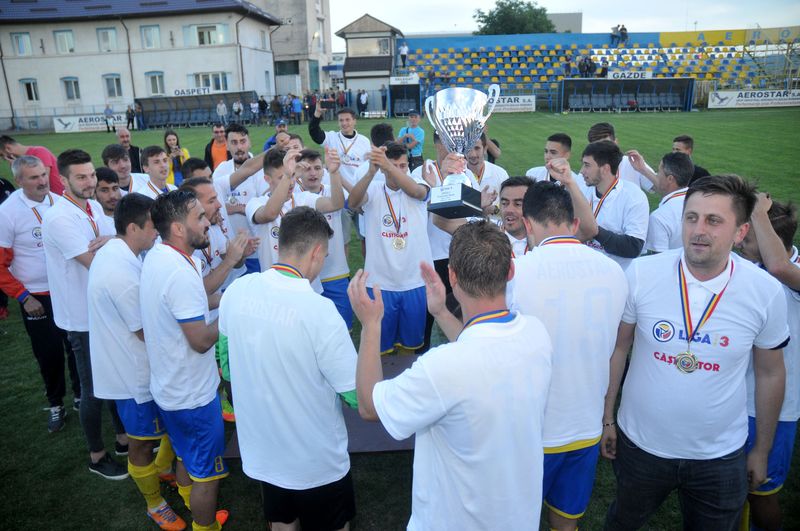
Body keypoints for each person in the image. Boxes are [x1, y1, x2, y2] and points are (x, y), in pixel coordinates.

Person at [601, 175, 788, 530]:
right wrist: (607, 417)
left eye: (713, 220)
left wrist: (761, 450)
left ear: (740, 232)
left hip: (719, 456)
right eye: (691, 218)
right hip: (641, 445)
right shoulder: (642, 274)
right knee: (622, 522)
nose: (698, 230)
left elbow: (771, 373)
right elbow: (619, 347)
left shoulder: (764, 291)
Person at [351, 220, 553, 530]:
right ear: (511, 270)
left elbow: (368, 405)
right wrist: (442, 312)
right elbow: (482, 353)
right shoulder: (537, 334)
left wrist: (370, 325)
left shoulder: (442, 366)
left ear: (452, 276)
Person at [220, 206, 357, 530]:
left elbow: (226, 368)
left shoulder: (236, 292)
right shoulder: (320, 311)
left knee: (281, 524)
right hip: (317, 462)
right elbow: (356, 395)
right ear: (317, 252)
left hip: (264, 453)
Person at [509, 181, 628, 531]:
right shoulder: (614, 271)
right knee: (565, 522)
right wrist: (607, 418)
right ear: (575, 224)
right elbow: (616, 350)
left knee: (515, 520)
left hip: (533, 430)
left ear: (528, 224)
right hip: (586, 424)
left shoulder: (517, 273)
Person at [87, 192, 185, 531]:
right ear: (132, 228)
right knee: (141, 442)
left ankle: (164, 469)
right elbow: (146, 330)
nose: (157, 232)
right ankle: (154, 504)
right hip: (132, 375)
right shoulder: (120, 273)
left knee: (168, 425)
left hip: (138, 366)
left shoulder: (121, 252)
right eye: (152, 227)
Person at [141, 190, 229, 531]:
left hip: (170, 387)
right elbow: (201, 341)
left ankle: (190, 504)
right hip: (192, 396)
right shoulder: (179, 272)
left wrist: (225, 297)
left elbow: (188, 307)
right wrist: (232, 312)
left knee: (185, 454)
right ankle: (205, 525)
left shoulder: (159, 255)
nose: (207, 222)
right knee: (207, 475)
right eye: (200, 217)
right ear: (178, 228)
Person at [41, 149, 128, 479]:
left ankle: (123, 440)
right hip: (82, 318)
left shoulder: (91, 207)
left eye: (91, 175)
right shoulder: (59, 218)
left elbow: (116, 243)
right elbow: (96, 263)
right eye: (81, 177)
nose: (90, 182)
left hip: (102, 311)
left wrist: (112, 241)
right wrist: (114, 244)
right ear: (63, 180)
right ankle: (97, 456)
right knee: (92, 389)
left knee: (113, 378)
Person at [0, 155, 80, 432]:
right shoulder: (8, 212)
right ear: (19, 180)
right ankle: (56, 403)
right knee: (49, 353)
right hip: (37, 297)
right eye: (34, 177)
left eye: (44, 174)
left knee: (75, 344)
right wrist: (23, 296)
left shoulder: (60, 201)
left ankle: (80, 395)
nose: (42, 181)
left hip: (67, 289)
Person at [737, 195, 799, 531]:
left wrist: (759, 212)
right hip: (737, 399)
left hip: (774, 410)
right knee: (735, 488)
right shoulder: (751, 269)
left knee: (761, 494)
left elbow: (780, 267)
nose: (740, 243)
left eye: (748, 238)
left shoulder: (791, 272)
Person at [348, 142, 432, 355]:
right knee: (381, 350)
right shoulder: (374, 189)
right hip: (380, 284)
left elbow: (417, 192)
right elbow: (353, 202)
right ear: (383, 169)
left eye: (403, 166)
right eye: (394, 166)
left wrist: (388, 166)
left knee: (410, 349)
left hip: (414, 282)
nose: (399, 170)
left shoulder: (419, 183)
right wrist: (371, 172)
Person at [246, 148, 344, 275]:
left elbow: (335, 204)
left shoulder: (303, 198)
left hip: (307, 283)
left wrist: (334, 173)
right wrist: (287, 176)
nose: (291, 182)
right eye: (282, 177)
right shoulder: (255, 203)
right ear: (267, 179)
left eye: (293, 175)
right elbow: (270, 214)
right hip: (275, 282)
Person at [294, 149, 353, 327]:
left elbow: (346, 202)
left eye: (317, 168)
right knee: (311, 330)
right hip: (306, 276)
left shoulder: (333, 190)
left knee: (342, 328)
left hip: (336, 272)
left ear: (323, 171)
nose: (313, 173)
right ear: (299, 171)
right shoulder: (293, 196)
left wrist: (335, 173)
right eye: (307, 169)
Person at [574, 140, 649, 270]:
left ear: (605, 169)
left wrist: (595, 231)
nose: (581, 171)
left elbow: (633, 247)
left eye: (587, 165)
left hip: (616, 275)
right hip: (582, 271)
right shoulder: (582, 189)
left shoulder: (634, 196)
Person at [212, 123, 267, 274]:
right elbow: (212, 204)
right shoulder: (221, 170)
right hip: (229, 249)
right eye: (234, 142)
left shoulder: (262, 169)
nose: (239, 147)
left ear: (249, 143)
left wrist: (236, 208)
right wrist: (241, 208)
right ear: (227, 145)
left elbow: (265, 207)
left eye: (243, 141)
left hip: (258, 248)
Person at [644, 152, 694, 253]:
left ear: (670, 179)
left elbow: (659, 259)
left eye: (659, 172)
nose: (657, 175)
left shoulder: (659, 218)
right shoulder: (701, 202)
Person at [588, 122, 655, 192]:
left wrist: (643, 170)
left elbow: (659, 187)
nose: (601, 150)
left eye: (606, 144)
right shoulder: (587, 172)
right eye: (597, 146)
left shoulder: (632, 163)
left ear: (615, 143)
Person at [465, 133, 509, 223]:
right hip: (466, 228)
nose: (473, 154)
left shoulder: (500, 173)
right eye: (468, 149)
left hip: (494, 228)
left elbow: (510, 205)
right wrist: (482, 210)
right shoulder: (457, 175)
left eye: (477, 148)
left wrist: (495, 209)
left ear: (485, 149)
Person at [0, 135, 65, 195]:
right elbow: (24, 187)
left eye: (2, 155)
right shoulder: (21, 162)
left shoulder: (39, 152)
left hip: (58, 198)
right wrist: (16, 169)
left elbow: (42, 182)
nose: (3, 159)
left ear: (8, 149)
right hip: (44, 198)